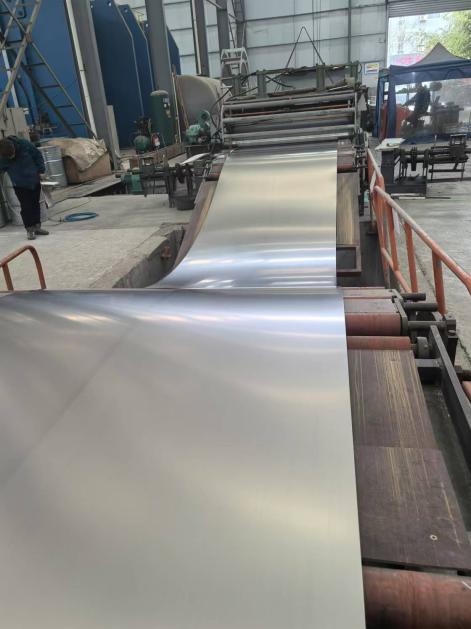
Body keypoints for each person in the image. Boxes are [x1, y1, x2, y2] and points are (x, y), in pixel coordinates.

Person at [0, 136, 49, 240]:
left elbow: (37, 155)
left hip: (33, 180)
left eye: (12, 155)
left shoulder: (25, 145)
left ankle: (37, 227)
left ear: (13, 147)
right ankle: (30, 229)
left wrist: (41, 170)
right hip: (19, 185)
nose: (11, 157)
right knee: (26, 206)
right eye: (8, 157)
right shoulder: (3, 155)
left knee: (36, 204)